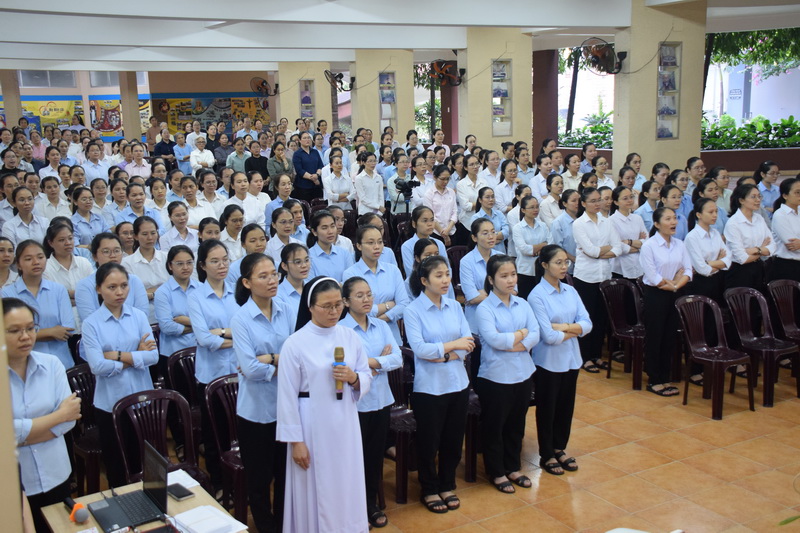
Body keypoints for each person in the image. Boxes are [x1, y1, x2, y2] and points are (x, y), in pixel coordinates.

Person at [276, 276, 372, 533]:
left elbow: (365, 375)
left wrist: (353, 378)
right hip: (310, 423)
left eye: (338, 305)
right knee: (316, 485)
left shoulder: (349, 336)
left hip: (345, 420)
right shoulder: (295, 343)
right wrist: (296, 442)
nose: (334, 312)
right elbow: (286, 397)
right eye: (326, 306)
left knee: (347, 480)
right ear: (310, 307)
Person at [404, 256, 474, 514]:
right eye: (439, 276)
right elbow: (420, 349)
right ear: (424, 280)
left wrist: (444, 354)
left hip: (458, 382)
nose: (446, 280)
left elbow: (468, 342)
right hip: (430, 387)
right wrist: (453, 348)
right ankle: (429, 488)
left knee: (453, 439)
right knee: (429, 440)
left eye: (447, 274)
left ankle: (447, 484)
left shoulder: (454, 305)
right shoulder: (413, 311)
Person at [6, 297, 81, 533]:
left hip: (56, 472)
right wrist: (57, 416)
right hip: (14, 481)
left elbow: (69, 421)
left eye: (30, 328)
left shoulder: (52, 365)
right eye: (14, 331)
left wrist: (17, 437)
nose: (25, 336)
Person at [81, 263, 158, 487]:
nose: (119, 292)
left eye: (124, 286)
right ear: (99, 289)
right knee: (116, 463)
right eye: (112, 287)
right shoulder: (91, 324)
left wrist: (117, 356)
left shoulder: (138, 316)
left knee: (141, 459)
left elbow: (153, 357)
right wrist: (135, 357)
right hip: (109, 403)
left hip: (141, 399)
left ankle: (144, 501)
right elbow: (97, 366)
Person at [231, 253, 291, 533]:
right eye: (263, 276)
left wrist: (270, 359)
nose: (272, 280)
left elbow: (298, 357)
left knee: (285, 475)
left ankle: (284, 524)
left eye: (274, 274)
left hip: (285, 406)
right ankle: (266, 527)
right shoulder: (241, 319)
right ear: (247, 282)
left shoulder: (286, 309)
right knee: (259, 479)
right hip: (255, 412)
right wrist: (281, 362)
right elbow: (251, 369)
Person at [340, 277, 401, 528]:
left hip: (381, 400)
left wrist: (367, 364)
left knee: (375, 456)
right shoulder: (341, 331)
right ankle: (353, 508)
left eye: (369, 294)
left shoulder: (381, 325)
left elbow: (397, 358)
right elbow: (346, 369)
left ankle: (370, 503)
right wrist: (378, 363)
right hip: (355, 404)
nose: (366, 300)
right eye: (359, 295)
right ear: (345, 301)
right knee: (354, 458)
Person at [475, 255, 538, 492]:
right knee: (495, 426)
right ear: (491, 279)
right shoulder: (485, 308)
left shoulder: (523, 303)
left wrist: (515, 342)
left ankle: (513, 467)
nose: (510, 280)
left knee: (516, 424)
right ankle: (496, 471)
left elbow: (536, 333)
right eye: (504, 276)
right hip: (496, 376)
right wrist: (521, 335)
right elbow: (494, 340)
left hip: (523, 372)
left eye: (513, 275)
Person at [528, 245, 591, 475]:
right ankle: (547, 454)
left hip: (571, 358)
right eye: (558, 262)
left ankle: (559, 448)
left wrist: (563, 327)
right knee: (548, 407)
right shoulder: (537, 296)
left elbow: (587, 324)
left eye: (566, 262)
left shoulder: (570, 291)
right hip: (548, 361)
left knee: (566, 406)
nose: (564, 267)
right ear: (545, 265)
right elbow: (549, 337)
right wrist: (574, 329)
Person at [187, 239, 239, 493]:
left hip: (238, 371)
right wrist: (236, 337)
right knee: (215, 433)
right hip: (211, 375)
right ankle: (218, 482)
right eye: (215, 261)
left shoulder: (238, 291)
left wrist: (220, 332)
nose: (222, 265)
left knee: (238, 429)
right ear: (203, 265)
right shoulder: (196, 296)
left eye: (225, 260)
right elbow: (204, 339)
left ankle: (239, 481)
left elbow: (247, 331)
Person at [639, 207, 691, 396]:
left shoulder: (680, 244)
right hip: (655, 295)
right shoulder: (649, 246)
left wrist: (676, 285)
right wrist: (674, 283)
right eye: (668, 219)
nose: (673, 222)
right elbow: (654, 277)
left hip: (674, 294)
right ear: (657, 224)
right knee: (655, 336)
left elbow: (688, 270)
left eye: (674, 218)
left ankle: (664, 376)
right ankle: (654, 379)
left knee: (670, 336)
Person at [2, 240, 75, 370]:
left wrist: (28, 335)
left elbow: (68, 329)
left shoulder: (58, 290)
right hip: (24, 365)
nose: (36, 262)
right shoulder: (6, 293)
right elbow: (7, 334)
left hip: (61, 363)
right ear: (18, 264)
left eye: (40, 257)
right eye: (28, 259)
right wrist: (51, 332)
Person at [572, 187, 621, 372]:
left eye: (599, 199)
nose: (597, 203)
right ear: (584, 203)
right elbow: (591, 251)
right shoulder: (579, 224)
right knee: (587, 318)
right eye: (593, 201)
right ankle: (585, 357)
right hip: (586, 277)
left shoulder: (607, 222)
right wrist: (605, 249)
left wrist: (600, 252)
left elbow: (618, 248)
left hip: (604, 276)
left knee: (601, 318)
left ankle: (597, 355)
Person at [342, 225, 408, 345]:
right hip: (363, 337)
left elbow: (404, 304)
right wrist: (388, 305)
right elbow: (357, 308)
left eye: (380, 242)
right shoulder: (350, 273)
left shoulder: (393, 270)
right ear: (359, 246)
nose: (377, 247)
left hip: (392, 335)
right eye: (370, 243)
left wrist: (380, 319)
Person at [75, 233, 149, 323]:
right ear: (94, 256)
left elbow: (143, 315)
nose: (113, 255)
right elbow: (89, 320)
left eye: (117, 251)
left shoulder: (134, 280)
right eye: (106, 252)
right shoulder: (85, 285)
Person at [122, 216, 168, 321]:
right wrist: (161, 290)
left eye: (153, 233)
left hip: (169, 312)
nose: (150, 238)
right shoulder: (126, 263)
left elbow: (174, 287)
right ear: (135, 236)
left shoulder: (167, 257)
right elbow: (133, 295)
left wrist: (149, 293)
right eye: (144, 234)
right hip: (143, 316)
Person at [512, 195, 551, 300]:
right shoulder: (518, 228)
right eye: (532, 207)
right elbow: (525, 250)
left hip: (543, 271)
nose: (535, 210)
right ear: (523, 210)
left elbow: (550, 244)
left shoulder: (543, 226)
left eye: (537, 207)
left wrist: (537, 249)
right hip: (525, 271)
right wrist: (542, 245)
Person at [609, 186, 647, 280]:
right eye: (625, 198)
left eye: (631, 197)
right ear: (616, 202)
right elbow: (618, 246)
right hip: (619, 268)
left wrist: (629, 242)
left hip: (639, 265)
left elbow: (647, 241)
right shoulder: (611, 221)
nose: (630, 200)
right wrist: (638, 245)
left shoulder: (637, 218)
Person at [306, 210, 354, 282]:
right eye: (324, 228)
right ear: (314, 232)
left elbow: (352, 281)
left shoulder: (344, 253)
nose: (330, 231)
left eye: (332, 226)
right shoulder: (308, 257)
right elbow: (311, 284)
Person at [400, 206, 448, 277]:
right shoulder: (407, 246)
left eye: (432, 220)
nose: (430, 224)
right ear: (414, 224)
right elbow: (411, 272)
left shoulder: (439, 243)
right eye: (425, 221)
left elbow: (447, 268)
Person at [771, 177, 800, 282]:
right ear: (785, 195)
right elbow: (792, 245)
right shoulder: (780, 215)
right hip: (788, 265)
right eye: (797, 192)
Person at [424, 165, 458, 246]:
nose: (445, 182)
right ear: (435, 177)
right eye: (442, 179)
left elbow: (454, 212)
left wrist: (448, 229)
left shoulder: (451, 192)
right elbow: (432, 217)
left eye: (448, 179)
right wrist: (443, 234)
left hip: (451, 231)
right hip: (436, 233)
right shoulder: (429, 194)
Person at [276, 243, 310, 321]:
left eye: (306, 260)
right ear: (284, 266)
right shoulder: (277, 295)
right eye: (298, 262)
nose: (304, 265)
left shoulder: (312, 288)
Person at [470, 186, 509, 254]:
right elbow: (479, 237)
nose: (491, 199)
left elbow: (507, 231)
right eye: (487, 197)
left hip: (501, 252)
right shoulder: (476, 218)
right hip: (484, 253)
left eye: (492, 197)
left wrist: (490, 237)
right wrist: (498, 237)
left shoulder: (499, 214)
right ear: (480, 200)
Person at [456, 155, 488, 234]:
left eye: (477, 163)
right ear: (465, 167)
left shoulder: (484, 182)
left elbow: (489, 202)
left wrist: (478, 203)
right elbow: (466, 206)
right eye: (471, 164)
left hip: (482, 220)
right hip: (466, 222)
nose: (475, 167)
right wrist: (483, 202)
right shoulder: (461, 184)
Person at [551, 190, 579, 274]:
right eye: (574, 201)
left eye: (579, 200)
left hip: (584, 265)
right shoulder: (558, 222)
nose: (577, 203)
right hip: (567, 266)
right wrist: (573, 259)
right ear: (565, 203)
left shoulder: (583, 219)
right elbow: (558, 247)